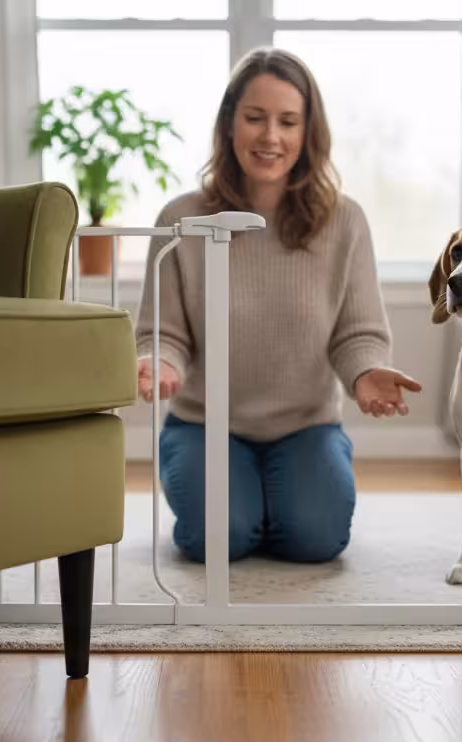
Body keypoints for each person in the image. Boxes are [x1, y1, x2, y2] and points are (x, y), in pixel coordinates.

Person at [135, 47, 420, 565]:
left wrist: (364, 374)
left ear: (308, 133)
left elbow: (356, 333)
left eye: (288, 121)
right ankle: (238, 503)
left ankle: (268, 499)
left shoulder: (345, 221)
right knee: (218, 541)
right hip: (205, 425)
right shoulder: (181, 219)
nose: (271, 137)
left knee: (316, 539)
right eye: (255, 118)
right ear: (228, 126)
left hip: (305, 426)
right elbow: (164, 332)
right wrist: (161, 363)